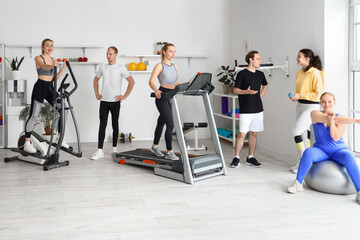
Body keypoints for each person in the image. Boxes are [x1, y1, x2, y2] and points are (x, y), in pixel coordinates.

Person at [288, 92, 360, 204]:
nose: (326, 104)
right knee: (308, 152)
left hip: (339, 150)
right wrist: (353, 121)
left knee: (350, 155)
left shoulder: (341, 118)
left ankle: (359, 192)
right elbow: (326, 118)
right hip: (321, 150)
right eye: (323, 101)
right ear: (320, 103)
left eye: (329, 101)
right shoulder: (315, 114)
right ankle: (298, 183)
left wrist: (333, 121)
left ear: (334, 102)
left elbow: (335, 137)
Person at [24, 38, 69, 153]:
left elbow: (55, 77)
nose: (50, 48)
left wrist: (63, 67)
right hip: (40, 87)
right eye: (47, 45)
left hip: (50, 88)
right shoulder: (38, 58)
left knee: (64, 109)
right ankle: (27, 143)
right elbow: (43, 66)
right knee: (34, 115)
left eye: (52, 45)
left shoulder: (54, 59)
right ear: (43, 47)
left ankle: (60, 139)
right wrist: (52, 66)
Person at [91, 46, 135, 160]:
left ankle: (114, 148)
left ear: (116, 54)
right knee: (102, 125)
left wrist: (124, 96)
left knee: (115, 124)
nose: (108, 56)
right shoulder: (103, 67)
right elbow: (96, 79)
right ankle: (100, 150)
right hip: (104, 101)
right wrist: (97, 93)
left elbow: (131, 81)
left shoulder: (121, 68)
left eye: (110, 54)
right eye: (107, 54)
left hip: (115, 101)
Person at [230, 50, 268, 168]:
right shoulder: (242, 74)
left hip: (258, 108)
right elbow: (235, 90)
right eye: (258, 59)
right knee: (242, 134)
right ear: (251, 60)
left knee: (254, 133)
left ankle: (250, 157)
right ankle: (236, 157)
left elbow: (265, 85)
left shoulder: (260, 74)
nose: (260, 61)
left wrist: (261, 94)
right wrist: (246, 91)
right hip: (246, 109)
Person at [289, 49, 324, 174]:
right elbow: (300, 93)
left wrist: (300, 95)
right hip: (300, 105)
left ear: (307, 59)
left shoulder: (315, 73)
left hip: (311, 107)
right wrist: (296, 96)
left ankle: (304, 162)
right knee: (304, 134)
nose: (297, 58)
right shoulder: (299, 73)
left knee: (296, 132)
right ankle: (303, 160)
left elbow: (318, 94)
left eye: (299, 56)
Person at [148, 43, 180, 160]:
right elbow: (151, 81)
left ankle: (155, 146)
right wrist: (156, 89)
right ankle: (169, 152)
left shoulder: (174, 66)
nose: (173, 54)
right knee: (170, 124)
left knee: (161, 122)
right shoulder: (159, 66)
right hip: (162, 96)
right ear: (164, 52)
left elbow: (175, 82)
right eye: (171, 51)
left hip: (172, 96)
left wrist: (185, 87)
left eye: (174, 51)